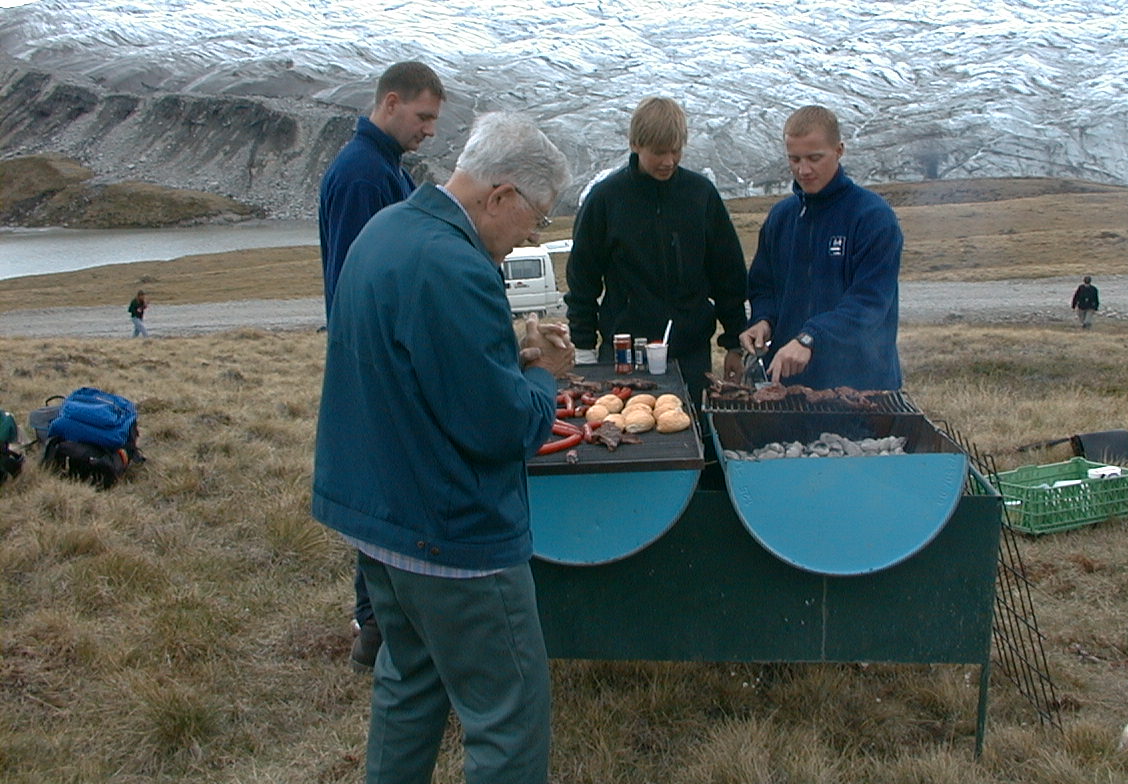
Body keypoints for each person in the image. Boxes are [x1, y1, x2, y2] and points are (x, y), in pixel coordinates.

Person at [313, 112, 572, 784]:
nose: (533, 237)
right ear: (501, 196)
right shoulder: (457, 266)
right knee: (507, 718)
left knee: (410, 681)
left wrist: (502, 356)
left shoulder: (387, 228)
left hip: (380, 521)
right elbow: (503, 430)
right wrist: (543, 374)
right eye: (535, 217)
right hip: (454, 537)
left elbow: (413, 363)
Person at [318, 60, 446, 669]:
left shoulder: (382, 168)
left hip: (386, 358)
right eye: (423, 117)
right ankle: (376, 629)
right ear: (390, 103)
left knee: (388, 490)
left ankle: (382, 623)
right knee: (380, 495)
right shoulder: (364, 176)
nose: (428, 131)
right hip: (378, 362)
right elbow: (358, 281)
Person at [565, 96, 748, 400]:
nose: (668, 162)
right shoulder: (606, 200)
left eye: (676, 151)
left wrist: (733, 342)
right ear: (636, 145)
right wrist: (584, 350)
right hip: (624, 352)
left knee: (695, 436)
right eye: (659, 153)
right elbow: (582, 280)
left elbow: (727, 273)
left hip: (690, 354)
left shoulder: (700, 195)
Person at [740, 105, 903, 390]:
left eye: (815, 158)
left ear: (839, 150)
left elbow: (870, 303)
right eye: (795, 159)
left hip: (861, 385)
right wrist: (763, 320)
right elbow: (764, 286)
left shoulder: (872, 217)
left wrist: (811, 338)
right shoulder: (782, 217)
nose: (803, 170)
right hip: (789, 386)